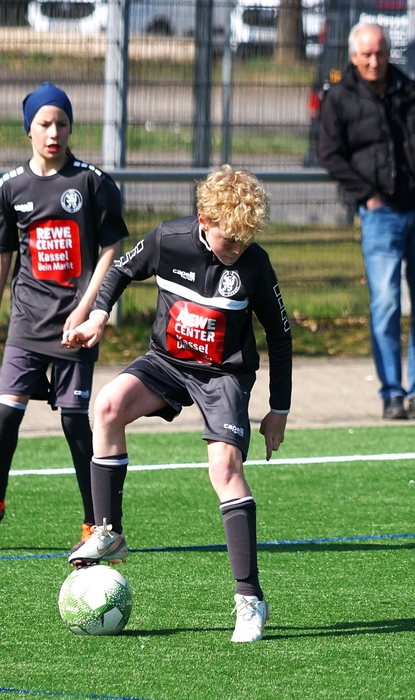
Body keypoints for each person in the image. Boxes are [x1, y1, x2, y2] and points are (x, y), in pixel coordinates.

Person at [62, 166, 291, 643]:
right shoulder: (170, 239)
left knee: (224, 468)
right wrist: (98, 316)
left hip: (223, 375)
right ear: (204, 220)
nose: (237, 249)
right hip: (166, 363)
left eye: (245, 240)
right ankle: (109, 531)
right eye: (229, 240)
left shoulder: (254, 264)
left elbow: (280, 336)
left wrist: (279, 409)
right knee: (106, 406)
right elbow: (121, 271)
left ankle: (250, 599)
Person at [0, 83, 128, 551]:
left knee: (74, 421)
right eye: (45, 124)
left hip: (75, 324)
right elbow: (2, 251)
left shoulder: (92, 182)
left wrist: (87, 306)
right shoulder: (11, 186)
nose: (54, 133)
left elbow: (112, 246)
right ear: (28, 129)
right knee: (6, 412)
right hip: (27, 320)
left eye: (62, 124)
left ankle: (95, 523)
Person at [317, 21, 415, 420]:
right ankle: (392, 393)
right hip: (381, 216)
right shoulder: (339, 97)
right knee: (387, 304)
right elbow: (329, 154)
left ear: (389, 52)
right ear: (353, 56)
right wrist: (369, 197)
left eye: (380, 52)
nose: (374, 61)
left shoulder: (413, 90)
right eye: (366, 54)